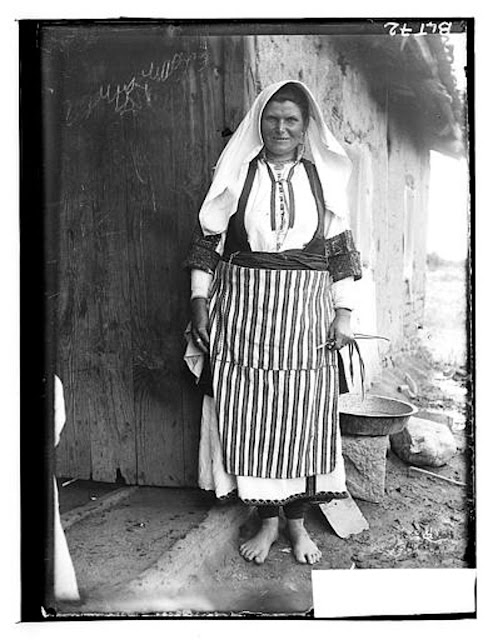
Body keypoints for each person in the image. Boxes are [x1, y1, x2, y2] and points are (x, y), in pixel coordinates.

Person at [184, 80, 362, 565]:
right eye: (272, 119)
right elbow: (208, 243)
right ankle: (265, 524)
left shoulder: (321, 179)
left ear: (306, 129)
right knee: (251, 415)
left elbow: (341, 252)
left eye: (291, 120)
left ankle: (299, 527)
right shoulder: (237, 177)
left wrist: (343, 312)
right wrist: (199, 301)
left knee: (304, 418)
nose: (281, 128)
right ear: (259, 124)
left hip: (305, 317)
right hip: (244, 316)